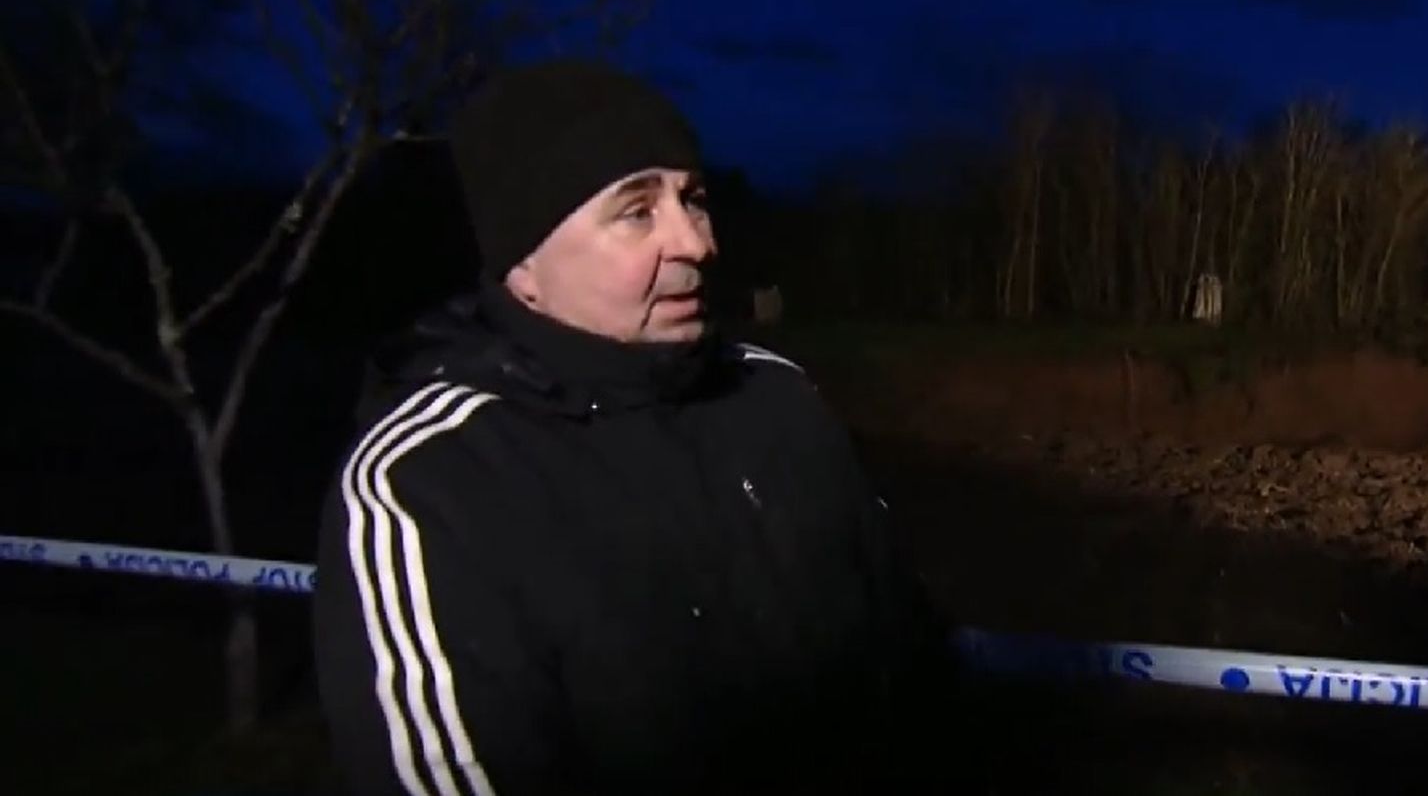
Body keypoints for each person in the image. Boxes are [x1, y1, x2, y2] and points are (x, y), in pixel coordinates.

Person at [311, 59, 956, 795]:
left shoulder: (776, 395)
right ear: (524, 268)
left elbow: (913, 661)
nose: (696, 243)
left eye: (694, 200)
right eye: (637, 211)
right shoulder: (429, 480)